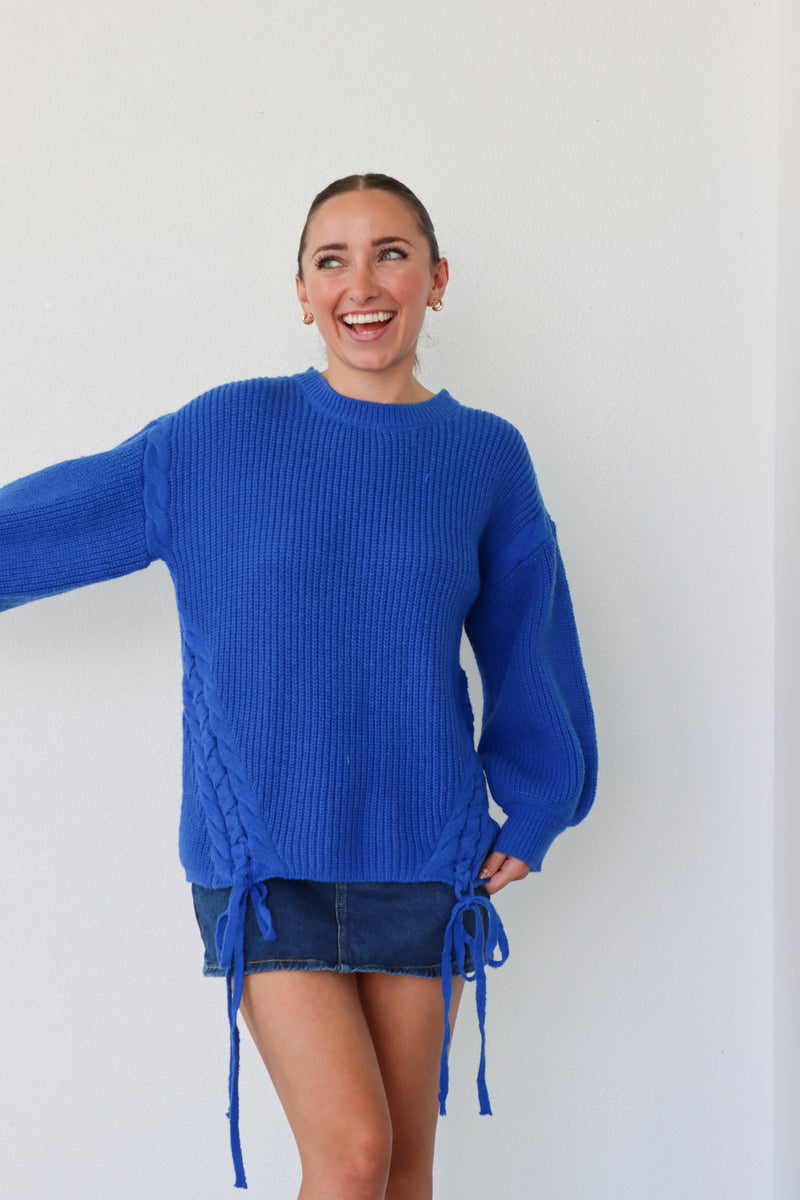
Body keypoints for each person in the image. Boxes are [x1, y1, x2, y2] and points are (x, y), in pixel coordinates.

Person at [0, 173, 598, 1199]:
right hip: (262, 867)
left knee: (402, 1172)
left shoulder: (484, 457)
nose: (361, 284)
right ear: (300, 290)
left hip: (422, 851)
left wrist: (537, 805)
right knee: (352, 1154)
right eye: (332, 260)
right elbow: (45, 524)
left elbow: (527, 641)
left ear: (435, 279)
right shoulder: (216, 436)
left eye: (390, 253)